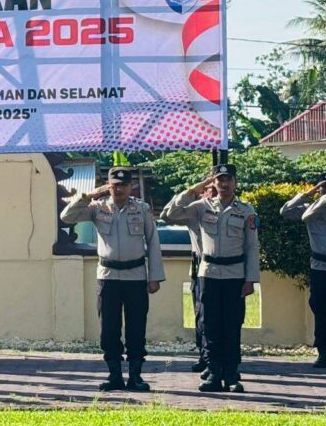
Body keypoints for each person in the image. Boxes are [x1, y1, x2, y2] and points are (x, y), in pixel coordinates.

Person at [61, 167, 164, 391]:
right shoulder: (97, 208)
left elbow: (153, 242)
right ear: (108, 186)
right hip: (108, 277)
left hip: (135, 276)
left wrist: (154, 276)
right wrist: (87, 196)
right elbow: (66, 217)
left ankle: (135, 376)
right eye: (115, 185)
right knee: (109, 329)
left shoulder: (141, 209)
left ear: (130, 186)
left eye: (123, 185)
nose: (119, 189)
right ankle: (114, 375)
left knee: (136, 328)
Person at [164, 164, 259, 393]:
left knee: (232, 326)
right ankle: (214, 373)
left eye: (228, 179)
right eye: (219, 180)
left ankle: (232, 375)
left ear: (235, 182)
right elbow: (169, 215)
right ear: (213, 183)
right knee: (209, 326)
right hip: (208, 274)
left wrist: (251, 279)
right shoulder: (201, 207)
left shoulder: (246, 211)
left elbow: (252, 247)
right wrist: (193, 190)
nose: (224, 184)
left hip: (235, 274)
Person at [160, 182, 216, 374]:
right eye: (208, 190)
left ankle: (222, 359)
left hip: (225, 267)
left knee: (224, 316)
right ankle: (205, 356)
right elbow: (167, 214)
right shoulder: (195, 211)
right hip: (200, 264)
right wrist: (190, 191)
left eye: (215, 190)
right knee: (202, 315)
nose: (212, 194)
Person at [280, 171, 326, 368]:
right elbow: (285, 211)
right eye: (324, 187)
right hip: (319, 266)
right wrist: (307, 194)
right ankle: (322, 352)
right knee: (319, 308)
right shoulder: (309, 209)